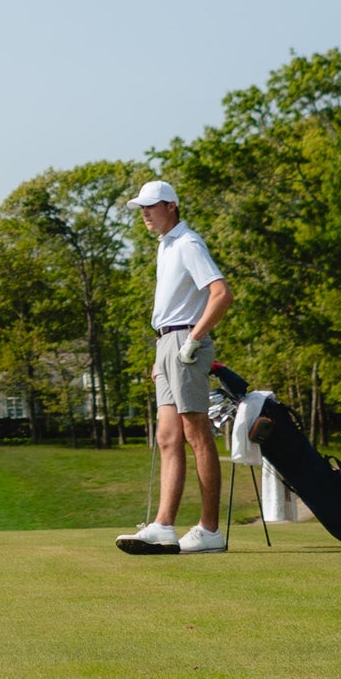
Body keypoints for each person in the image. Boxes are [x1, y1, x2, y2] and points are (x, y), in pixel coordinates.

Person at [119, 178, 234, 554]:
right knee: (167, 437)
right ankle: (164, 525)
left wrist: (194, 339)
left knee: (195, 432)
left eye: (152, 206)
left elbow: (221, 294)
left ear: (171, 206)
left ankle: (210, 530)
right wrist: (160, 355)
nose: (145, 214)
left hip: (186, 341)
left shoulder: (188, 243)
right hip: (167, 343)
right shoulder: (166, 246)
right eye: (142, 208)